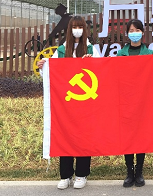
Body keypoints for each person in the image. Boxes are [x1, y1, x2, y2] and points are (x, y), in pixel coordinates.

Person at [37, 15, 97, 190]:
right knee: (66, 136)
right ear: (69, 30)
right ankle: (65, 175)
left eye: (80, 27)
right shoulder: (62, 50)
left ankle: (81, 174)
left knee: (83, 138)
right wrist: (43, 66)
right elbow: (52, 73)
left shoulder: (92, 49)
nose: (77, 30)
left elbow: (101, 72)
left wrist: (92, 63)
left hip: (85, 103)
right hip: (66, 103)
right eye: (74, 27)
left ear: (85, 30)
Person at [116, 19, 153, 187]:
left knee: (141, 136)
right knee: (128, 137)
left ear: (142, 33)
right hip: (126, 101)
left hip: (143, 102)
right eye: (131, 30)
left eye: (137, 30)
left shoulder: (149, 53)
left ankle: (139, 172)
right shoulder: (121, 54)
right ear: (127, 34)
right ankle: (129, 172)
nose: (134, 33)